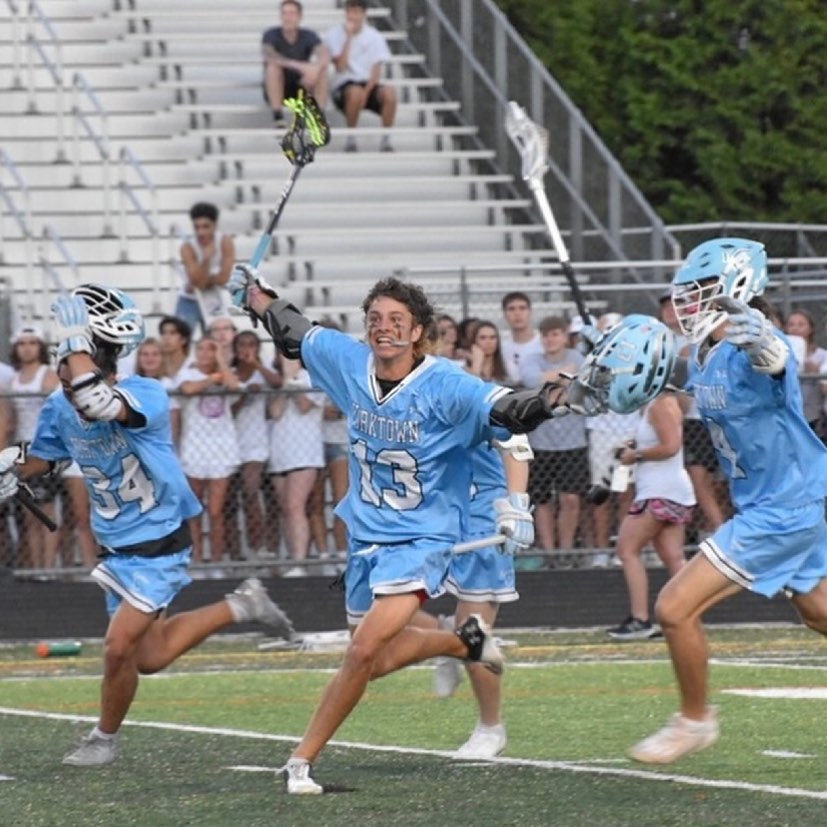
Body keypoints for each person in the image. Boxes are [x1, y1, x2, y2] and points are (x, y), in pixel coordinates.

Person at [228, 264, 676, 792]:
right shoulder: (349, 362)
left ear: (419, 330)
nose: (383, 327)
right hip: (366, 535)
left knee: (363, 651)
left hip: (422, 537)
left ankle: (302, 759)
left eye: (396, 319)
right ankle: (459, 642)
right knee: (373, 658)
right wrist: (255, 295)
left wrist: (561, 399)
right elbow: (294, 331)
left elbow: (510, 412)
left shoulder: (446, 386)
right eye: (375, 318)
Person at [0, 283, 294, 767]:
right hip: (116, 546)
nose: (60, 360)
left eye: (69, 353)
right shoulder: (59, 404)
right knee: (149, 656)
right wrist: (12, 465)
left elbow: (98, 404)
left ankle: (103, 739)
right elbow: (48, 458)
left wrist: (76, 343)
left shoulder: (147, 394)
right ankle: (243, 605)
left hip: (158, 541)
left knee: (118, 649)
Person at [628, 237, 827, 765]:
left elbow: (775, 361)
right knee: (819, 612)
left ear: (736, 287)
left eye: (702, 289)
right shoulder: (706, 354)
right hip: (776, 502)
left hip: (783, 509)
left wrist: (763, 342)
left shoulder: (755, 343)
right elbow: (666, 380)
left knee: (673, 608)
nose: (689, 302)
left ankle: (695, 720)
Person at [420, 434, 532, 758]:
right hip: (432, 522)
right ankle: (444, 639)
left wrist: (516, 508)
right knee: (377, 606)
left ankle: (490, 727)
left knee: (473, 633)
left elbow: (516, 445)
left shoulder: (482, 407)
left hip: (482, 525)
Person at [607, 387, 695, 640]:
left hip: (659, 490)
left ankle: (640, 619)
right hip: (668, 489)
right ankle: (685, 618)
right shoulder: (660, 404)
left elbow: (671, 446)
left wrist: (636, 454)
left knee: (627, 550)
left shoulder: (661, 404)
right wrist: (636, 446)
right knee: (673, 557)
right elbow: (662, 441)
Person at [520, 316, 588, 567]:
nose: (550, 339)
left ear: (565, 335)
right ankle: (550, 554)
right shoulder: (533, 359)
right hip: (541, 441)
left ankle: (565, 552)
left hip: (573, 441)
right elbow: (531, 380)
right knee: (542, 500)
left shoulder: (578, 357)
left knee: (571, 499)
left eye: (555, 334)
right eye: (546, 335)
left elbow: (581, 382)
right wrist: (563, 376)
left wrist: (550, 379)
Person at [178, 337, 241, 569]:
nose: (205, 353)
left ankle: (215, 562)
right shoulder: (187, 372)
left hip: (222, 449)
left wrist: (221, 361)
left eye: (211, 349)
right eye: (201, 349)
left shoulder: (227, 373)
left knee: (215, 511)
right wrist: (213, 379)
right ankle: (196, 560)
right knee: (194, 511)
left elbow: (235, 387)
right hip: (195, 448)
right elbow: (187, 388)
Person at [267, 354, 325, 577]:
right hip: (280, 452)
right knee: (286, 509)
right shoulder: (278, 381)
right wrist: (285, 383)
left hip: (305, 453)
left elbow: (304, 405)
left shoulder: (313, 378)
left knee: (295, 506)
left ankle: (300, 561)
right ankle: (293, 557)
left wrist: (293, 382)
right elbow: (275, 412)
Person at [8, 325, 60, 571]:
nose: (27, 348)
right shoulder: (14, 380)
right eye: (22, 343)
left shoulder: (48, 375)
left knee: (46, 510)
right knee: (29, 512)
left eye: (32, 343)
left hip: (42, 446)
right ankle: (37, 568)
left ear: (40, 347)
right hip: (21, 447)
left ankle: (49, 567)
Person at [229, 330, 282, 561]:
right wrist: (243, 396)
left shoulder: (263, 373)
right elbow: (225, 412)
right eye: (242, 345)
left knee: (252, 493)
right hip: (230, 445)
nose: (246, 349)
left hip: (257, 445)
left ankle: (260, 546)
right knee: (231, 502)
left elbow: (278, 384)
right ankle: (236, 552)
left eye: (251, 344)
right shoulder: (230, 375)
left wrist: (257, 365)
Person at [325, 0, 397, 153]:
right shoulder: (334, 34)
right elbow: (340, 66)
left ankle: (387, 139)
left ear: (364, 14)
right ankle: (351, 138)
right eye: (350, 12)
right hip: (344, 84)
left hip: (368, 83)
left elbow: (376, 70)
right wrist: (348, 38)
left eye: (357, 12)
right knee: (355, 92)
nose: (353, 16)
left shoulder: (375, 36)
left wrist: (367, 91)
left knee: (390, 92)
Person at [262, 0, 329, 123]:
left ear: (300, 16)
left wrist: (315, 69)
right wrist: (301, 67)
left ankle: (319, 117)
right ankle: (278, 117)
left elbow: (324, 54)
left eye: (292, 13)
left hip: (302, 85)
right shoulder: (271, 35)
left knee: (321, 71)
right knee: (272, 68)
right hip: (278, 88)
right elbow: (269, 56)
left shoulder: (309, 35)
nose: (288, 18)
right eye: (284, 13)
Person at [177, 203, 236, 334]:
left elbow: (224, 279)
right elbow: (198, 282)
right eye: (197, 227)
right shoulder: (187, 247)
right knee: (182, 337)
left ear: (215, 225)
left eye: (205, 226)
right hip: (190, 299)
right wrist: (206, 260)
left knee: (217, 338)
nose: (201, 232)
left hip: (214, 298)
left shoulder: (225, 241)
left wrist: (200, 281)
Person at [784, 309, 827, 436]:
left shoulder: (822, 355)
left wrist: (816, 372)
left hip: (814, 417)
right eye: (791, 324)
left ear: (810, 329)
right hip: (789, 415)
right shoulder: (781, 356)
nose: (796, 328)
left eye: (801, 324)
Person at [499, 291, 544, 388]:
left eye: (522, 308)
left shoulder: (546, 343)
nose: (517, 313)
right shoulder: (501, 348)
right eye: (511, 309)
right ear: (504, 315)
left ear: (530, 312)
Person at [464, 319, 517, 385]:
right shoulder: (463, 369)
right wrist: (477, 364)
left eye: (492, 337)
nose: (488, 342)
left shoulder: (508, 366)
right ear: (474, 341)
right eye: (483, 338)